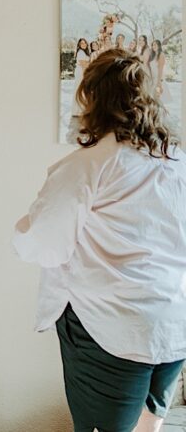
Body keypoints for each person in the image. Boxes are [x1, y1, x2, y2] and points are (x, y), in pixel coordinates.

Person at [13, 49, 186, 432]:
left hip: (113, 327)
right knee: (147, 427)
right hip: (173, 324)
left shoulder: (88, 165)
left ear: (93, 99)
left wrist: (22, 229)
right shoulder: (178, 162)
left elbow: (44, 243)